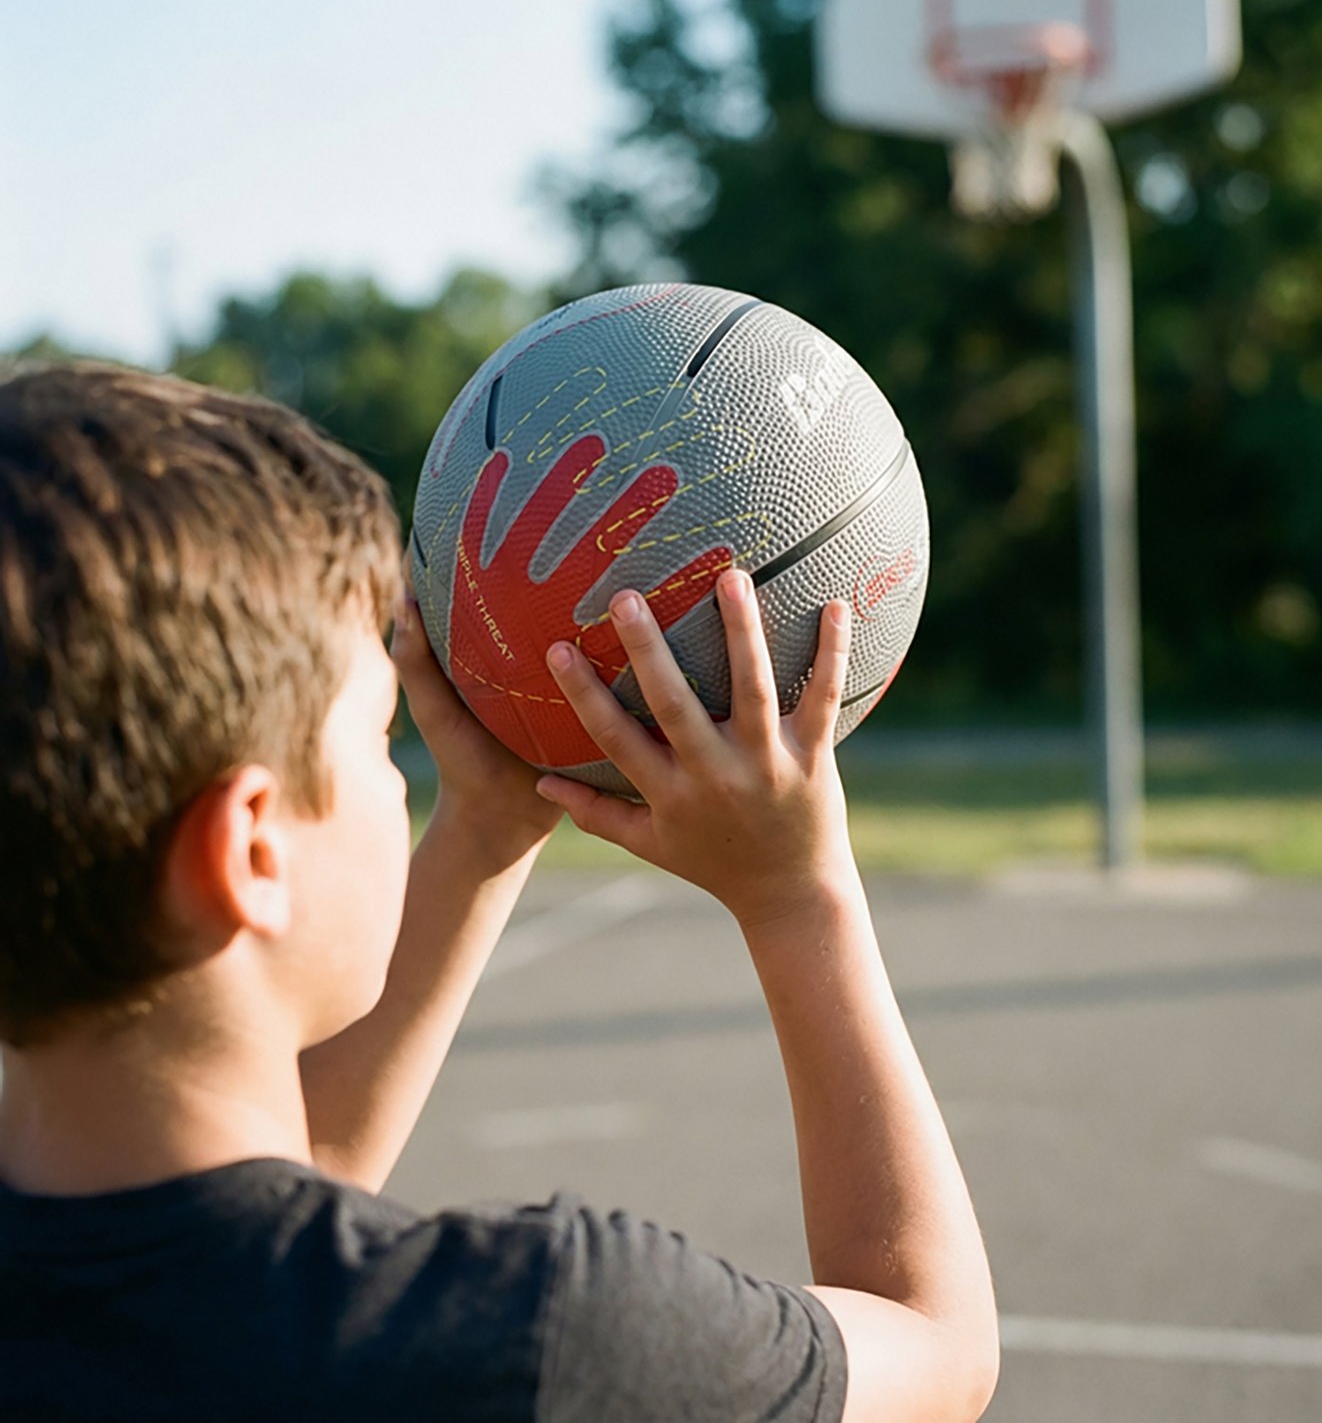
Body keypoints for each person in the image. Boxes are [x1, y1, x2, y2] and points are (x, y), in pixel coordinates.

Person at [0, 362, 999, 1422]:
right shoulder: (539, 1337)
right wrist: (802, 900)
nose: (401, 781)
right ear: (250, 851)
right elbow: (936, 1341)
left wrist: (484, 825)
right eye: (380, 736)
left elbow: (246, 1225)